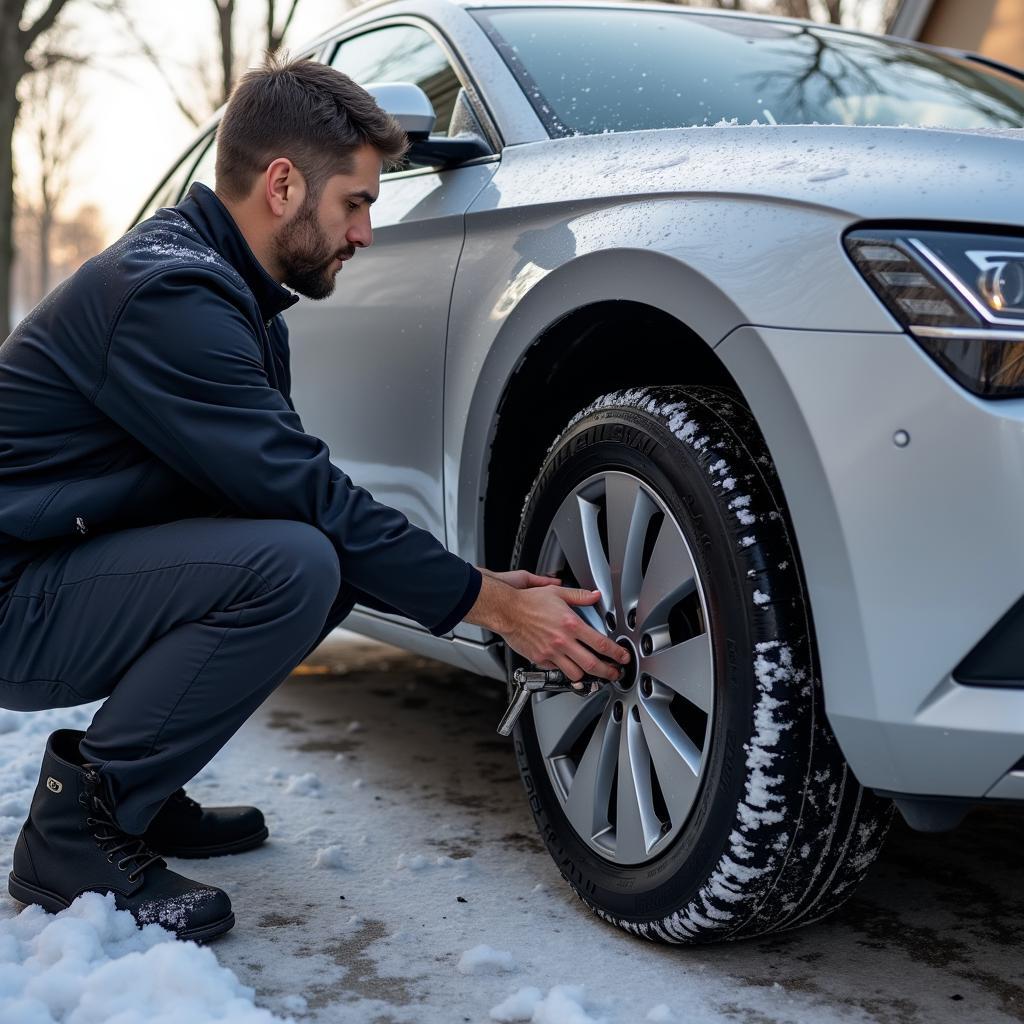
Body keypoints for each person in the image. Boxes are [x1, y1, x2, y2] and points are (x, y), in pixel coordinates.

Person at [0, 53, 629, 942]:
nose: (366, 232)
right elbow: (306, 500)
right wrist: (493, 606)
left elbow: (290, 497)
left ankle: (135, 797)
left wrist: (474, 582)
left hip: (49, 571)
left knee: (312, 557)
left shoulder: (229, 296)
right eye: (357, 202)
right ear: (284, 184)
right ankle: (73, 835)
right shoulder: (169, 296)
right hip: (14, 597)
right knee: (295, 561)